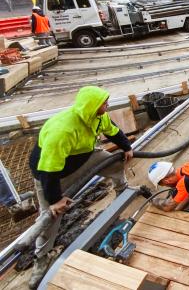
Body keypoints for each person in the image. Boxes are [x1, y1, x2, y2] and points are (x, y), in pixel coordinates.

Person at [28, 86, 133, 287]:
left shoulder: (98, 117)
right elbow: (48, 169)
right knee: (50, 217)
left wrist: (126, 147)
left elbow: (113, 131)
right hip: (51, 174)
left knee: (114, 162)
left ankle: (122, 191)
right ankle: (41, 259)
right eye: (104, 102)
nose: (107, 105)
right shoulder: (63, 129)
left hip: (81, 158)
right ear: (92, 106)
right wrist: (55, 199)